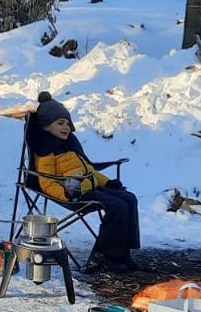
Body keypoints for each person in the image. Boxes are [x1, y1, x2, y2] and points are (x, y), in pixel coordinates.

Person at [29, 91, 141, 274]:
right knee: (117, 206)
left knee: (129, 198)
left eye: (67, 123)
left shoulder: (70, 145)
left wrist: (106, 183)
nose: (66, 127)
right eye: (60, 123)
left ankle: (123, 253)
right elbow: (47, 183)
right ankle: (106, 255)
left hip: (90, 187)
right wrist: (65, 194)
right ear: (46, 126)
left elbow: (89, 170)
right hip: (74, 193)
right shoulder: (45, 150)